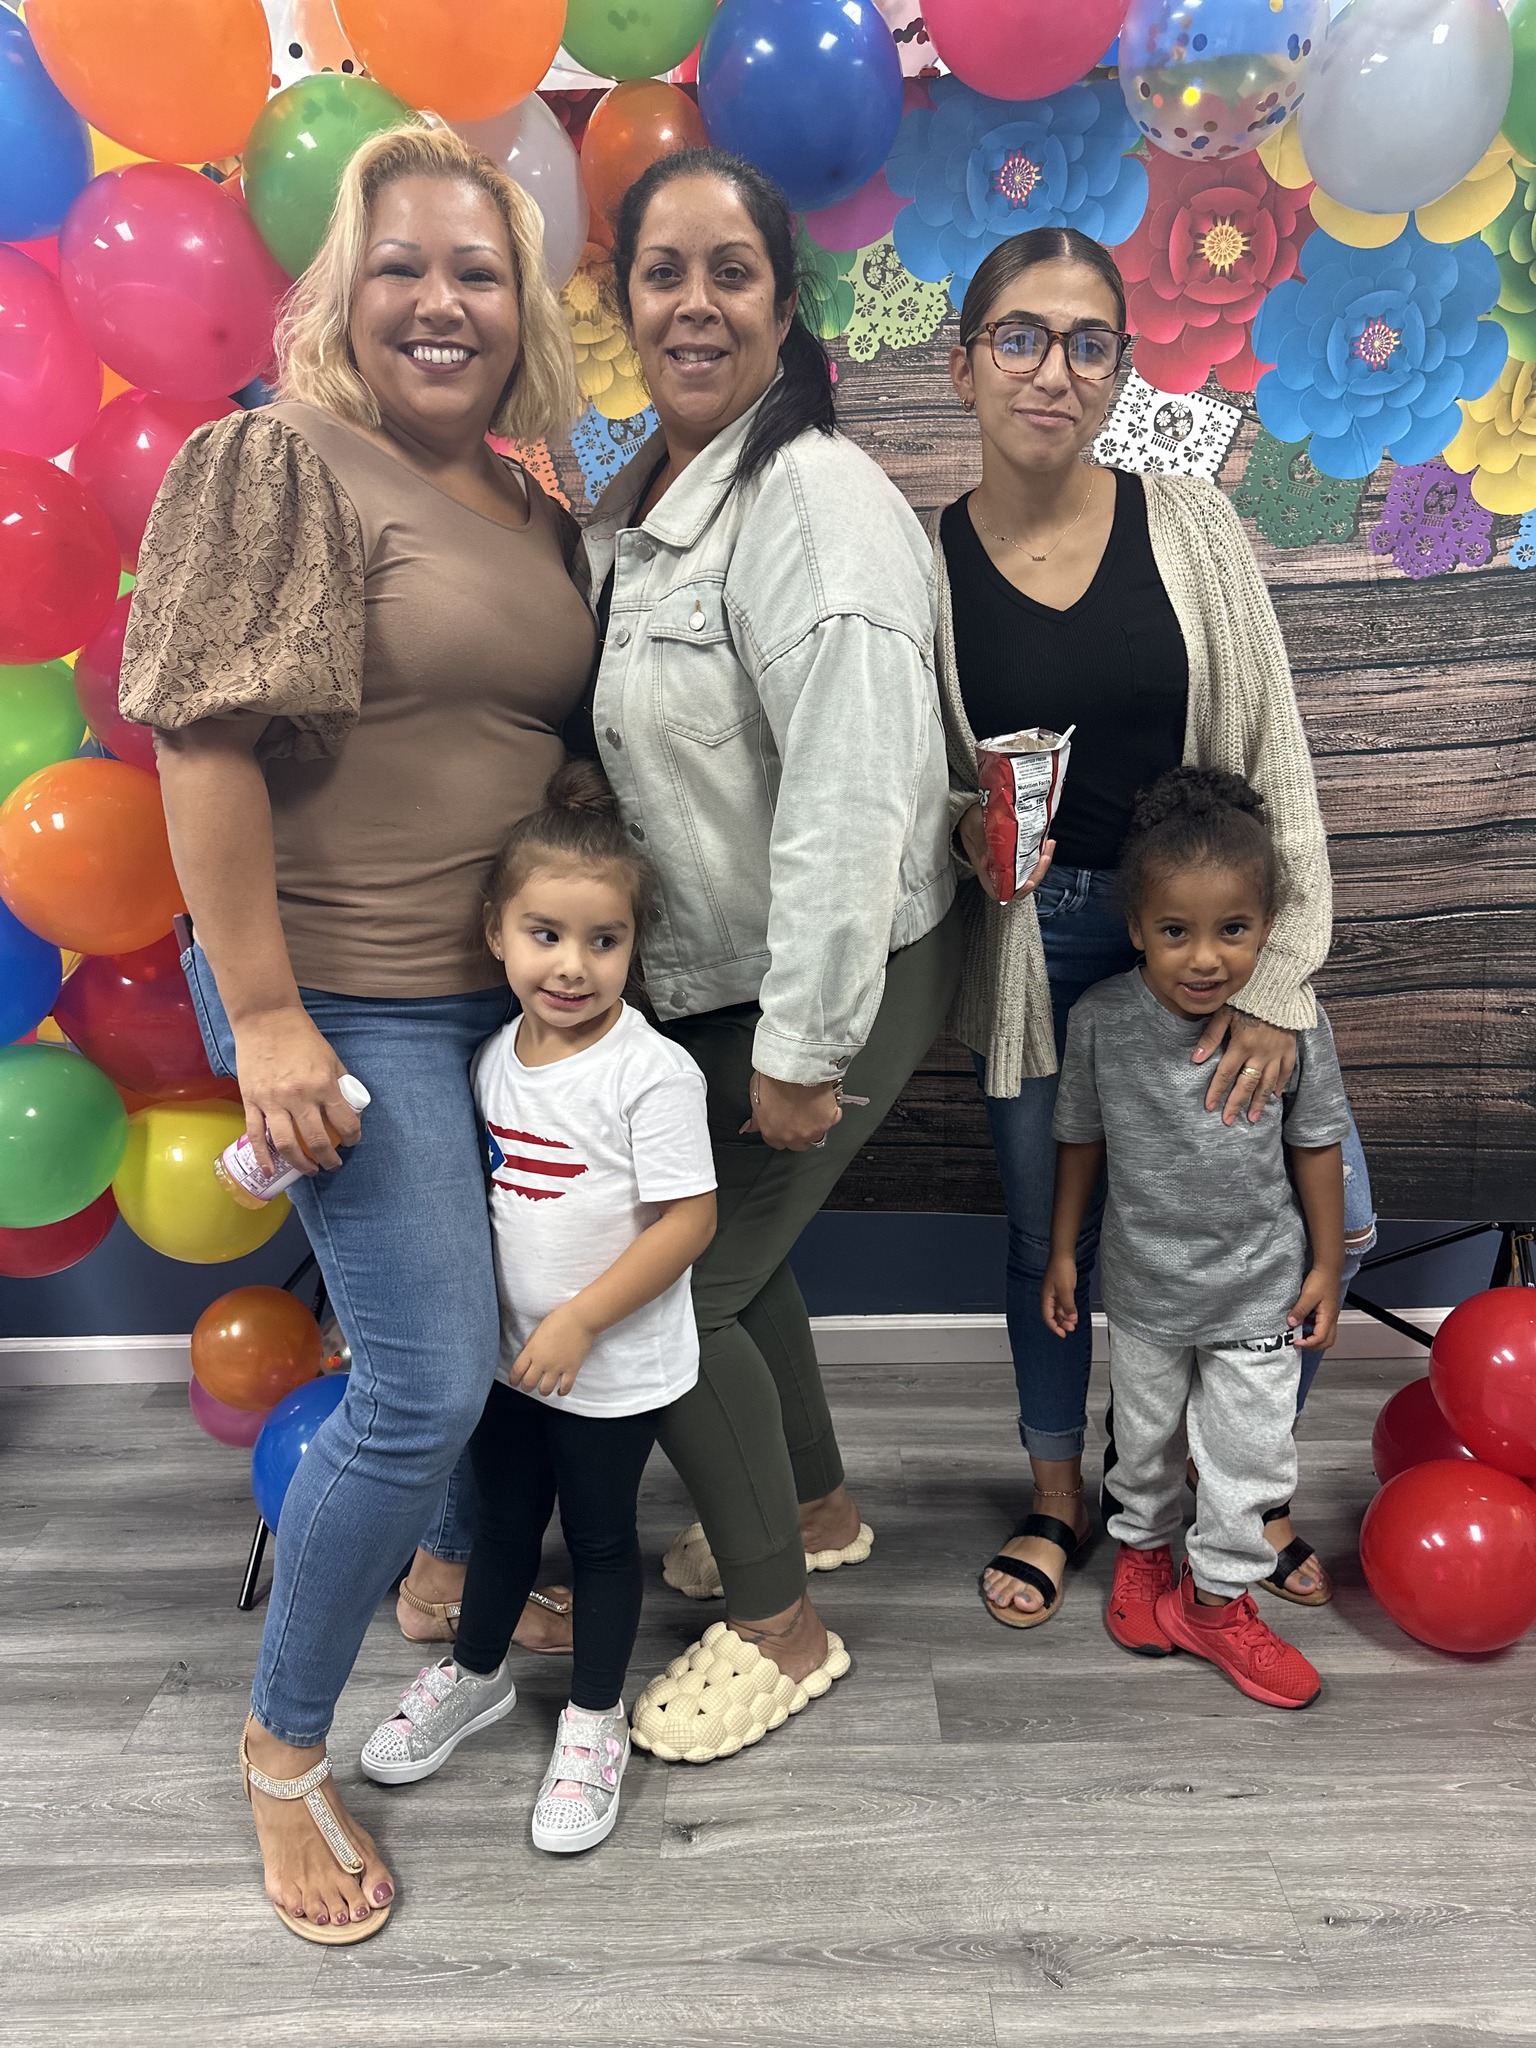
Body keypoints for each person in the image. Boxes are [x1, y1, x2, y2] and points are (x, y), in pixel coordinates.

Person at [119, 126, 597, 1942]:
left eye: (478, 270)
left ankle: (447, 1583)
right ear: (343, 290)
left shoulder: (532, 506)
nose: (439, 301)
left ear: (521, 306)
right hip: (344, 996)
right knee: (426, 1379)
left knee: (499, 1332)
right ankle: (279, 1748)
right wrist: (262, 1014)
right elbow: (201, 741)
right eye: (401, 266)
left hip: (508, 999)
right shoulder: (280, 459)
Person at [567, 146, 960, 1763]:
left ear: (784, 308)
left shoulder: (814, 502)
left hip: (834, 969)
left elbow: (853, 798)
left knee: (669, 1296)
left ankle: (781, 1624)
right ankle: (812, 1505)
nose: (695, 302)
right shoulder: (643, 503)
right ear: (624, 302)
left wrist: (804, 1045)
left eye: (730, 271)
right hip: (717, 972)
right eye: (663, 271)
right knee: (739, 1255)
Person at [933, 227, 1376, 1630]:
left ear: (1121, 369)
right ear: (964, 364)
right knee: (1046, 1235)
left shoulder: (1188, 525)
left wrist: (1277, 980)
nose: (1052, 370)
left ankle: (1229, 1490)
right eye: (1020, 336)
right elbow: (908, 782)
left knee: (1322, 1223)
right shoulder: (923, 563)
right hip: (1040, 946)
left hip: (1211, 939)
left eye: (1088, 343)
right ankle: (1064, 1496)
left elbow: (1276, 754)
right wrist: (962, 829)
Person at [360, 765, 716, 1852]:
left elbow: (688, 1220)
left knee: (599, 1539)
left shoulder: (653, 1073)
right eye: (546, 934)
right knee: (505, 1525)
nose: (572, 964)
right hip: (509, 1362)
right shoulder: (486, 1061)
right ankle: (475, 1676)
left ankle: (594, 1718)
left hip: (610, 1369)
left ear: (633, 948)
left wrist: (581, 1320)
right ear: (496, 935)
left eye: (603, 941)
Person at [1040, 767, 1346, 1708]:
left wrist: (1329, 1263)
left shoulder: (1293, 1027)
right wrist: (1063, 1250)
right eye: (1176, 931)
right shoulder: (1101, 1021)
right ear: (1137, 928)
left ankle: (1214, 1602)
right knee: (1142, 1443)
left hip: (1260, 1292)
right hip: (1145, 1295)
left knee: (1252, 1456)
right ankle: (1141, 1556)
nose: (1205, 958)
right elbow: (1079, 1139)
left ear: (1269, 928)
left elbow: (1317, 1141)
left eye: (1233, 930)